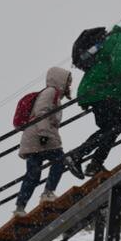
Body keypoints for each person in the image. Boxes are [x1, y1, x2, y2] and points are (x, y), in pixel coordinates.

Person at [64, 16, 121, 179]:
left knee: (111, 128)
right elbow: (120, 66)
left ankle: (92, 163)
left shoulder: (113, 37)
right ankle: (82, 158)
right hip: (103, 91)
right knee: (115, 127)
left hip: (97, 91)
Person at [13, 67, 72, 217]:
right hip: (41, 137)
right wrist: (45, 133)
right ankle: (48, 192)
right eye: (68, 82)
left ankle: (20, 207)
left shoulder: (54, 95)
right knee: (59, 160)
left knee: (33, 174)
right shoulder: (51, 92)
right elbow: (41, 112)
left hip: (34, 137)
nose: (69, 85)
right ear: (60, 80)